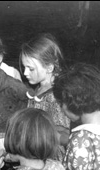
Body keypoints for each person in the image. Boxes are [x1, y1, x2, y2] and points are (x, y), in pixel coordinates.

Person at [20, 33, 70, 162]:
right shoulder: (40, 89)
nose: (25, 73)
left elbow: (63, 136)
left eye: (30, 69)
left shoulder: (56, 97)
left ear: (49, 68)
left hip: (50, 160)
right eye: (24, 67)